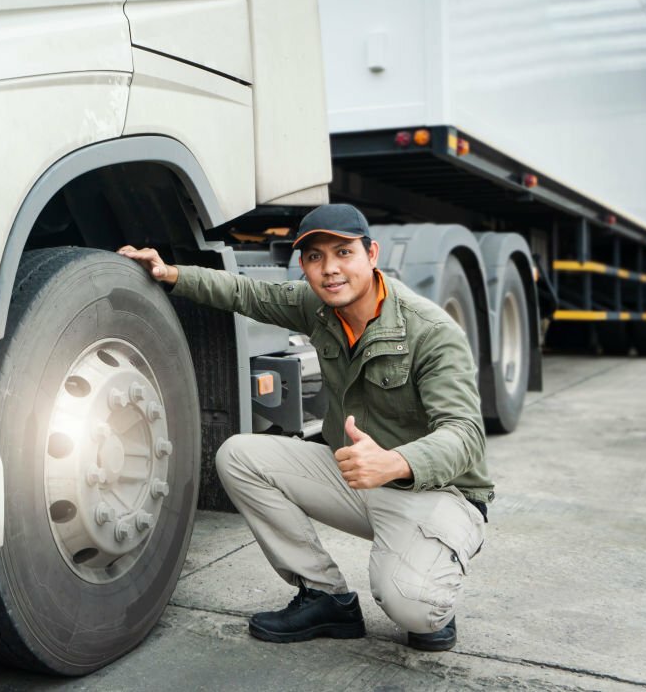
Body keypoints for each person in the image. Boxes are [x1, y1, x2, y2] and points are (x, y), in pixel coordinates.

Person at [118, 203, 492, 652]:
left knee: (414, 608)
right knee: (239, 456)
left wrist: (394, 462)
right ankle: (325, 596)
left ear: (371, 254)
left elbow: (465, 433)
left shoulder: (431, 332)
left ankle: (428, 585)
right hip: (356, 478)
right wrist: (170, 272)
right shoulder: (317, 308)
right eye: (314, 257)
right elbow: (244, 294)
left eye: (343, 252)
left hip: (436, 492)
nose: (329, 269)